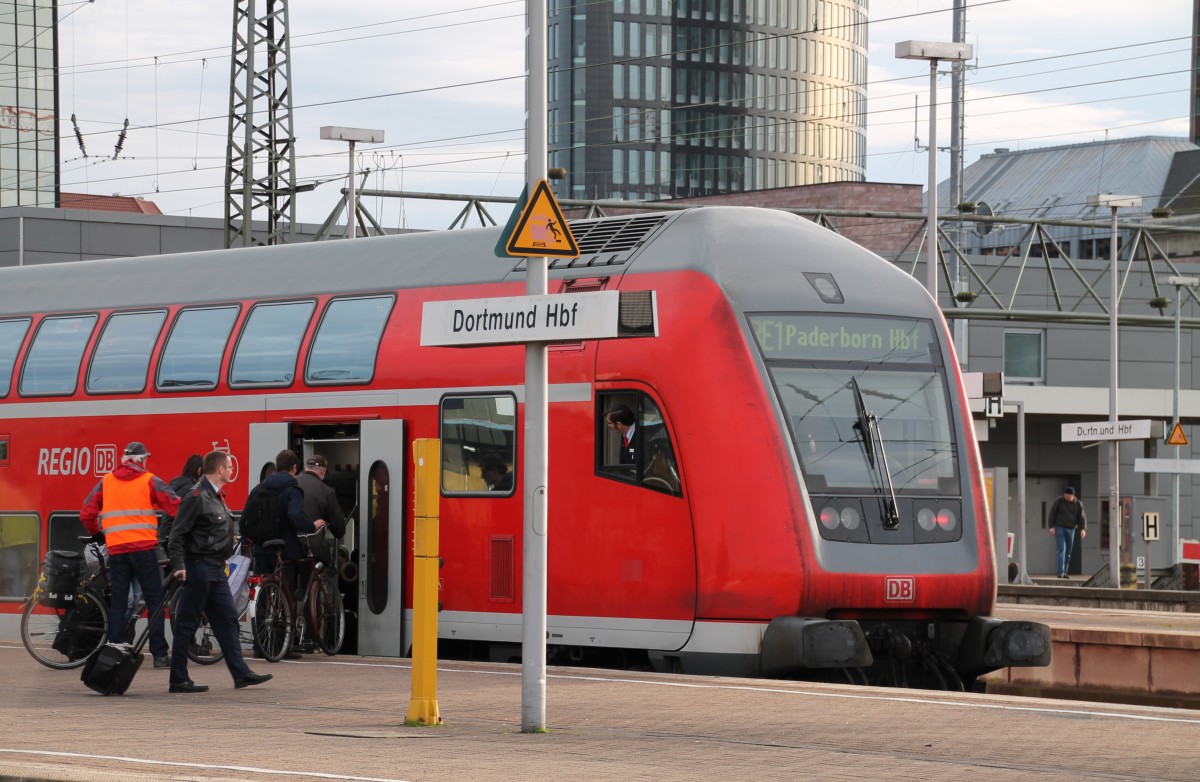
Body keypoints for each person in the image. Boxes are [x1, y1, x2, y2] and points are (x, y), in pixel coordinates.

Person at [167, 450, 272, 693]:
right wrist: (179, 565)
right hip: (199, 566)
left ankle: (240, 673)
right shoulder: (196, 496)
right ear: (220, 470)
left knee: (227, 619)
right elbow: (177, 535)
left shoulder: (215, 496)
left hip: (215, 568)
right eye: (229, 467)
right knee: (187, 623)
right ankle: (178, 678)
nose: (232, 470)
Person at [80, 441, 180, 668]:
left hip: (117, 552)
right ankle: (160, 655)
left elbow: (86, 513)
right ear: (141, 460)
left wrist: (98, 535)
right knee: (155, 601)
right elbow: (176, 505)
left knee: (118, 603)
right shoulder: (149, 480)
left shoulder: (106, 482)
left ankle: (114, 655)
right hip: (144, 551)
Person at [296, 455, 346, 540]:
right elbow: (339, 529)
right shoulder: (327, 491)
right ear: (323, 471)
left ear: (305, 468)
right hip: (312, 544)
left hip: (290, 544)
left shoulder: (291, 482)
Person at [159, 454, 204, 549]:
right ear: (199, 471)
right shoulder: (192, 490)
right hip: (176, 540)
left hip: (165, 535)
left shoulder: (175, 485)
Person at [1047, 486, 1087, 579]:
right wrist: (1051, 527)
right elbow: (1052, 513)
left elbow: (1082, 517)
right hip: (1059, 527)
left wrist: (1083, 529)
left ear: (1073, 495)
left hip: (1071, 529)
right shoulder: (1059, 501)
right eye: (1065, 495)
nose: (1067, 497)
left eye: (1069, 496)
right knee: (1061, 550)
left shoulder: (1078, 504)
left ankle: (1065, 572)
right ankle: (1060, 572)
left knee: (1068, 552)